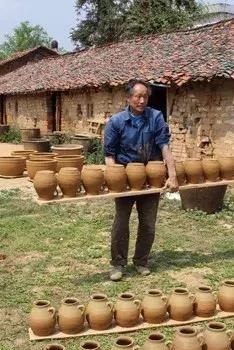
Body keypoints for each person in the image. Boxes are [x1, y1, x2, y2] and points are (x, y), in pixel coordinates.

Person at [103, 79, 179, 281]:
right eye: (137, 96)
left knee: (148, 224)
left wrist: (172, 176)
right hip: (125, 178)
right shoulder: (116, 122)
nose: (141, 100)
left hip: (151, 178)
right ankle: (118, 264)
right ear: (128, 98)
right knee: (121, 223)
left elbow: (164, 147)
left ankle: (141, 261)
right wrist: (115, 177)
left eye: (145, 96)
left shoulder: (156, 118)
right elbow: (109, 155)